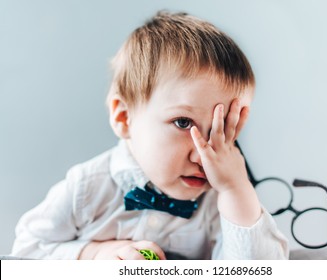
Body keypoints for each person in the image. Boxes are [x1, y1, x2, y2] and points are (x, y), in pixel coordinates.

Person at [12, 11, 288, 260]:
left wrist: (236, 189)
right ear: (124, 118)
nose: (204, 155)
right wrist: (94, 254)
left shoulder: (221, 201)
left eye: (222, 131)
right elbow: (25, 251)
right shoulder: (86, 189)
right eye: (183, 122)